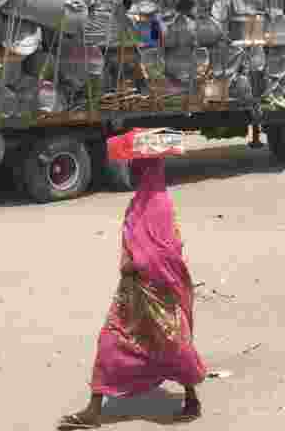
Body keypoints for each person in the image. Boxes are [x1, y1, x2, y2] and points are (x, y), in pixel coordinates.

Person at [59, 158, 206, 429]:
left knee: (172, 344)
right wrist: (129, 262)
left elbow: (168, 249)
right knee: (111, 341)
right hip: (131, 290)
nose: (133, 169)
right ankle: (93, 410)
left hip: (159, 290)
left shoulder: (160, 204)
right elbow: (131, 240)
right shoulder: (137, 202)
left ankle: (191, 398)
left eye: (138, 166)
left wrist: (138, 262)